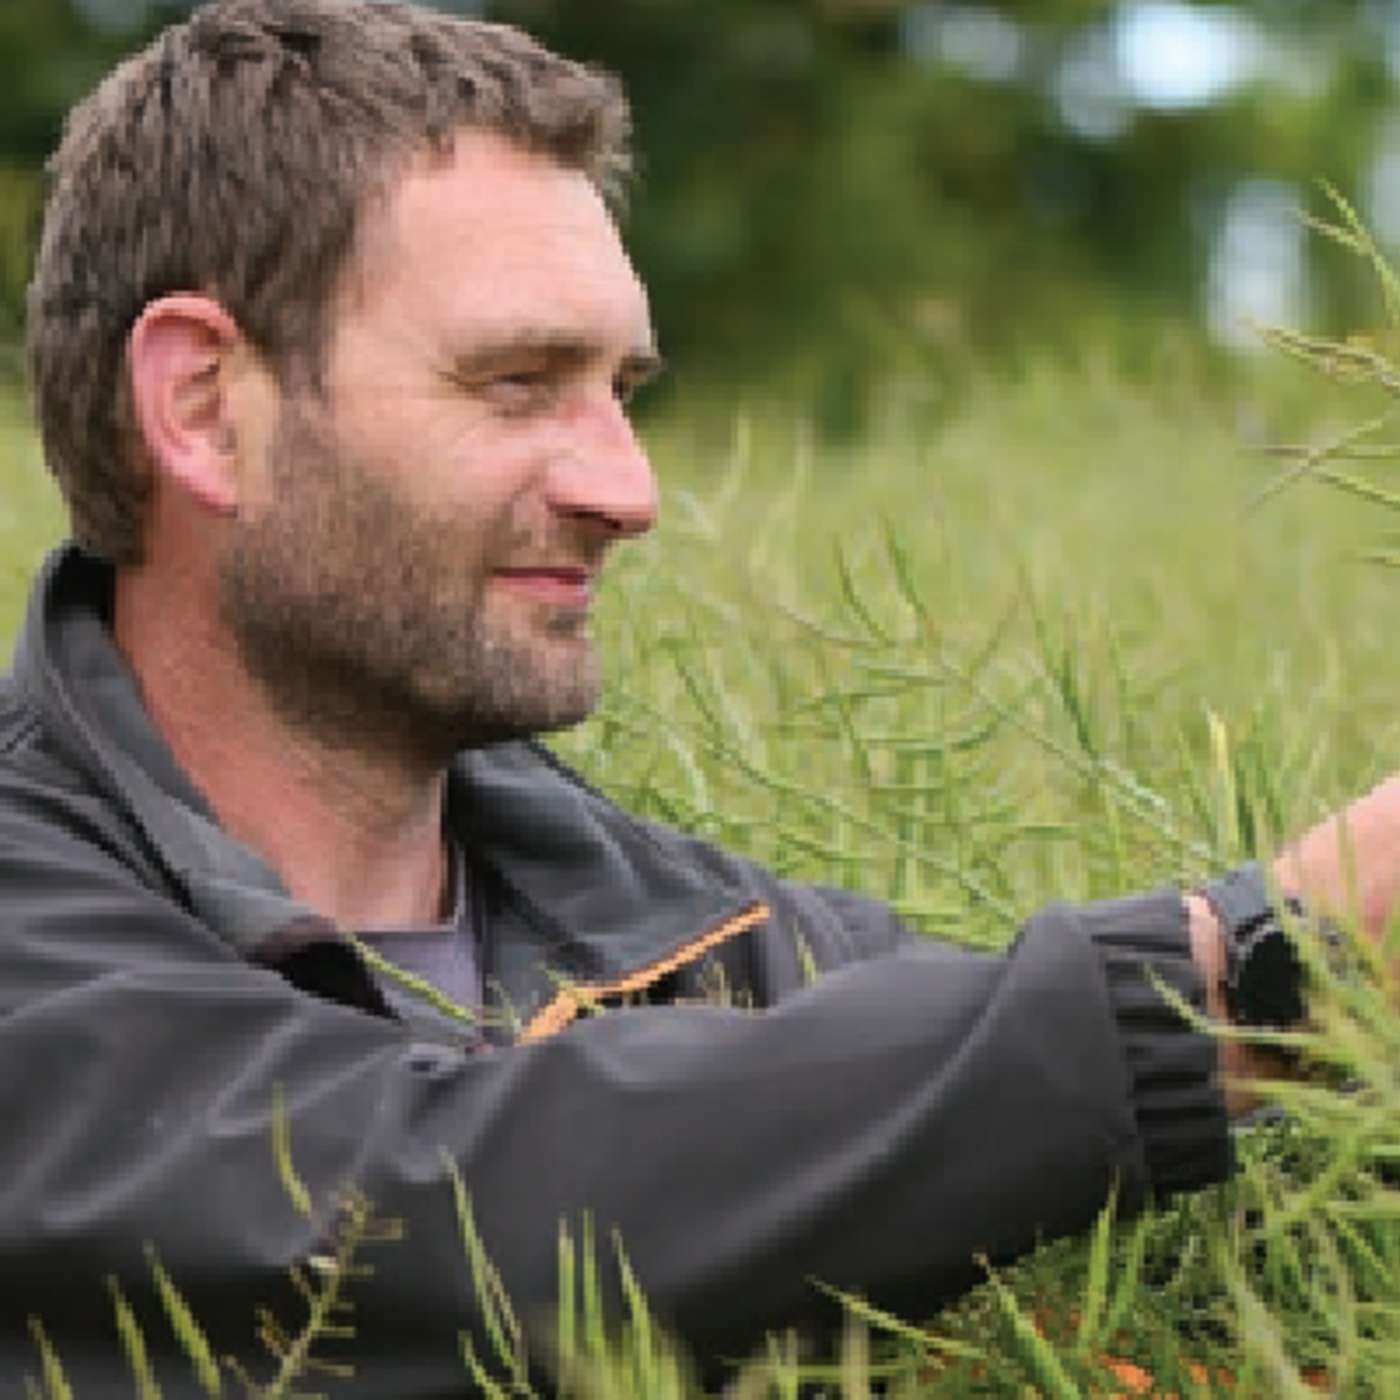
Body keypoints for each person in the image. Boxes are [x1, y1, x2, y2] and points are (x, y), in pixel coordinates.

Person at [2, 0, 1396, 1392]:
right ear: (199, 405)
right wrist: (1272, 964)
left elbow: (1038, 1148)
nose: (629, 490)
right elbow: (437, 1212)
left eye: (623, 389)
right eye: (517, 383)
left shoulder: (694, 932)